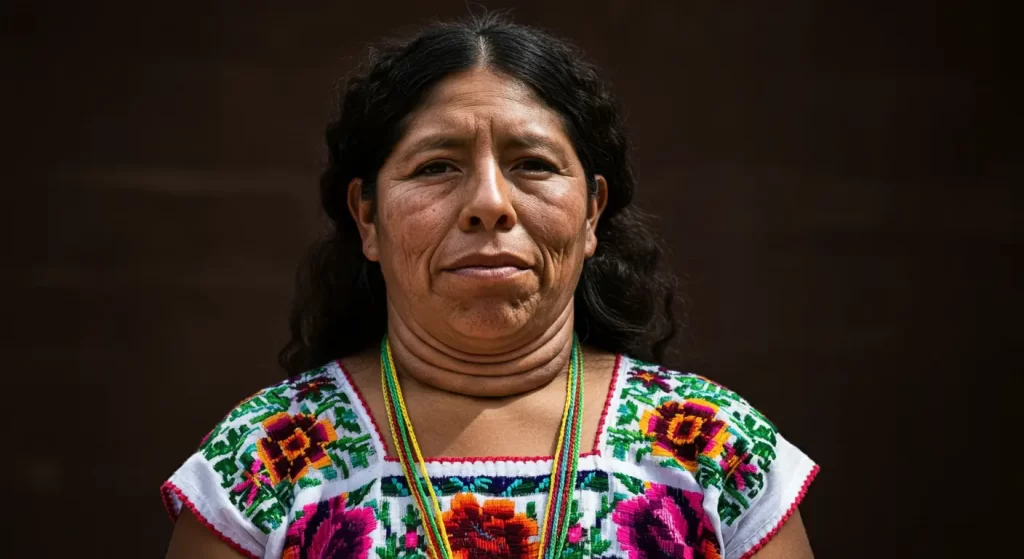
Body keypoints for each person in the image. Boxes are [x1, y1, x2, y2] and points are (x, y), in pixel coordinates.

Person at [163, 14, 817, 559]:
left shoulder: (716, 450)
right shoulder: (266, 461)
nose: (488, 202)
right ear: (366, 216)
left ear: (591, 212)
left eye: (532, 164)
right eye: (437, 165)